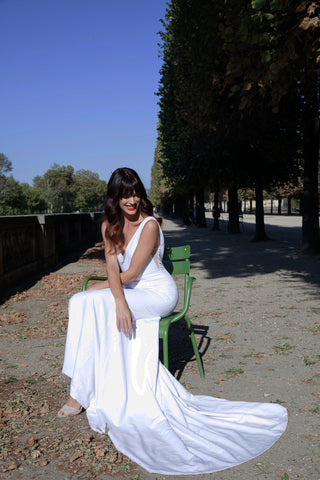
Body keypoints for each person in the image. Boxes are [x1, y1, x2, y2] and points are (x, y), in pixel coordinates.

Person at [58, 167, 288, 475]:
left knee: (97, 304)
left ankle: (78, 395)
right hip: (128, 289)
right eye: (125, 194)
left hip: (155, 292)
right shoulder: (108, 225)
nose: (132, 200)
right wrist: (105, 292)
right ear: (114, 197)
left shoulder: (149, 225)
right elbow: (112, 266)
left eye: (136, 192)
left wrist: (112, 296)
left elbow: (130, 275)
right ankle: (84, 383)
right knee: (79, 301)